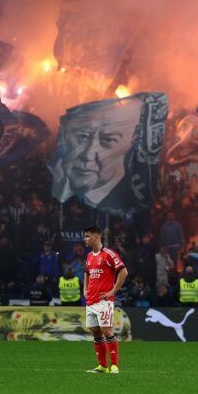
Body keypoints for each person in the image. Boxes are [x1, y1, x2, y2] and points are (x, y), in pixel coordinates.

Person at [50, 98, 144, 214]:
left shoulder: (132, 199)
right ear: (64, 135)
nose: (88, 155)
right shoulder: (56, 184)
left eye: (108, 140)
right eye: (82, 137)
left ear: (132, 139)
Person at [83, 226, 128, 374]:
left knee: (106, 330)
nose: (85, 239)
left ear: (96, 237)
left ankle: (114, 366)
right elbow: (87, 273)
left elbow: (124, 272)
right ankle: (102, 366)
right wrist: (85, 289)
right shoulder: (89, 256)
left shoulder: (109, 254)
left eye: (88, 236)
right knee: (95, 331)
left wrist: (112, 291)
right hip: (91, 300)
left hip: (104, 301)